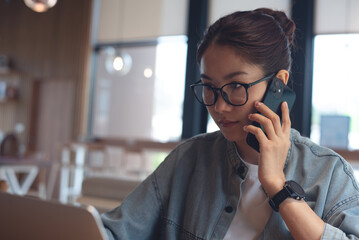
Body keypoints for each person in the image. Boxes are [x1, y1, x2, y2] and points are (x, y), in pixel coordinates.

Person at [101, 8, 359, 239]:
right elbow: (116, 230)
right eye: (209, 87)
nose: (219, 107)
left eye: (236, 86)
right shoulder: (189, 159)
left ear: (278, 83)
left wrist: (278, 187)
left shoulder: (329, 173)